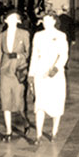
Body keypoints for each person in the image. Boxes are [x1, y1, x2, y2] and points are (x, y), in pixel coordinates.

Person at [29, 11, 68, 146]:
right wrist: (31, 74)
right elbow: (34, 55)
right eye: (43, 20)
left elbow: (64, 55)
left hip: (55, 74)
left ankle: (54, 131)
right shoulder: (38, 35)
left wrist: (55, 69)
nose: (45, 23)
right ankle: (38, 135)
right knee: (40, 104)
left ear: (54, 21)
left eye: (48, 20)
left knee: (56, 102)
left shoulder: (61, 35)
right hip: (40, 72)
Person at [0, 8, 30, 141]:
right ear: (6, 20)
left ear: (18, 21)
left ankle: (25, 121)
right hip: (5, 70)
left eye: (15, 18)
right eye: (10, 18)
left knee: (19, 101)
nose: (12, 20)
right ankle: (8, 131)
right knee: (5, 101)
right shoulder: (2, 35)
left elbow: (28, 52)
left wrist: (19, 56)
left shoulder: (24, 34)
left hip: (18, 70)